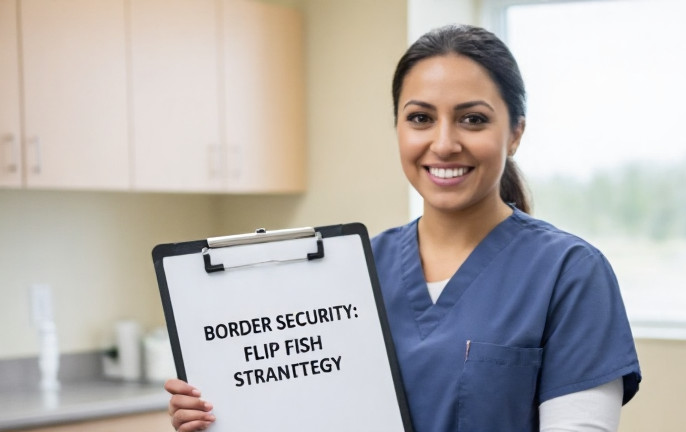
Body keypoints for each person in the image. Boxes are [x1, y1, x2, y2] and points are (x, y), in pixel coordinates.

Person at [165, 24, 641, 432]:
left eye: (473, 119)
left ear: (515, 132)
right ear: (398, 127)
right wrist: (225, 415)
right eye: (420, 118)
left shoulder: (570, 275)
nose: (444, 142)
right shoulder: (347, 270)